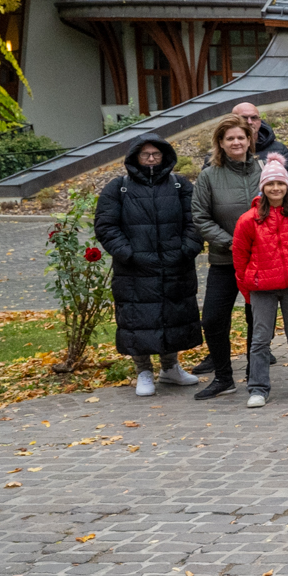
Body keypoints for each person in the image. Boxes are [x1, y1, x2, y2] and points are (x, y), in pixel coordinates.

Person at [94, 133, 203, 396]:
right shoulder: (118, 188)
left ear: (165, 156)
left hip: (174, 265)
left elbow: (196, 220)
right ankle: (143, 371)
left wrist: (186, 250)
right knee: (138, 320)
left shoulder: (179, 185)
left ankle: (170, 368)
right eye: (146, 155)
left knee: (170, 316)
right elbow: (107, 227)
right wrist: (129, 255)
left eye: (156, 154)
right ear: (135, 157)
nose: (152, 159)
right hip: (134, 270)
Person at [231, 156, 288, 408]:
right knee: (260, 339)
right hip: (262, 287)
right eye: (270, 183)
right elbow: (239, 258)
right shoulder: (248, 219)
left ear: (287, 186)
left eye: (280, 183)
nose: (275, 188)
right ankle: (258, 388)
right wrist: (247, 288)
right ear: (262, 187)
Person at [190, 115, 259, 400]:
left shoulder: (265, 170)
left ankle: (257, 376)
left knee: (258, 320)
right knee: (214, 320)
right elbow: (200, 217)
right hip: (224, 259)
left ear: (249, 140)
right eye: (229, 138)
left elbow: (282, 207)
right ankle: (223, 377)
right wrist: (232, 243)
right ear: (220, 142)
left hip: (260, 261)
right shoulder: (209, 175)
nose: (236, 142)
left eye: (240, 137)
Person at [220, 102, 288, 200]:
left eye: (254, 118)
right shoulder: (218, 154)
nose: (250, 122)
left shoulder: (279, 151)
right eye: (244, 118)